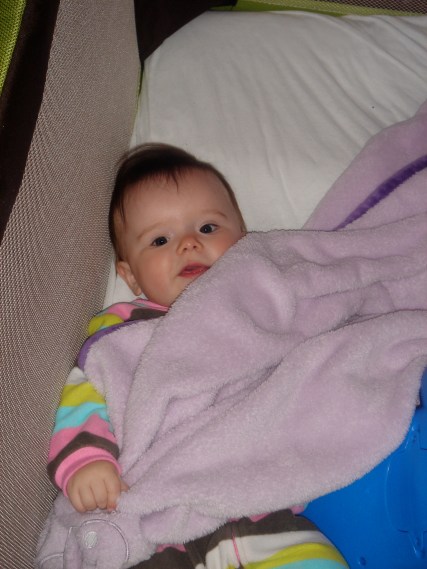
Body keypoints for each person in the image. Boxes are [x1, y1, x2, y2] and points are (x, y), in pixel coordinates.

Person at [48, 143, 349, 568]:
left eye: (208, 228)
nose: (189, 243)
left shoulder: (265, 303)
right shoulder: (122, 335)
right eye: (160, 239)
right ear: (131, 275)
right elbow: (86, 394)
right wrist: (88, 462)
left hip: (258, 507)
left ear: (242, 242)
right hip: (157, 525)